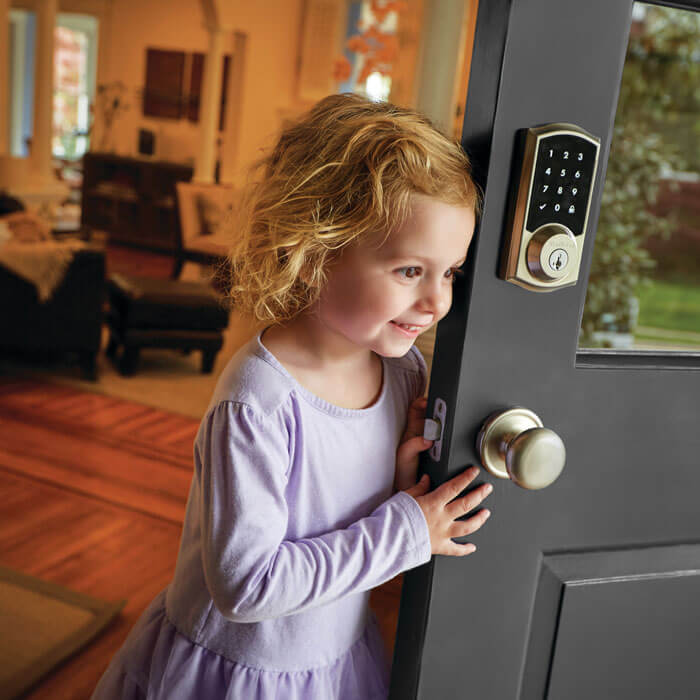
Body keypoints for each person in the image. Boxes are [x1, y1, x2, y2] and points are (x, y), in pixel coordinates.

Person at [91, 92, 492, 700]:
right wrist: (407, 528)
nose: (438, 301)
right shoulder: (258, 402)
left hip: (332, 660)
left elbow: (347, 512)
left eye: (450, 272)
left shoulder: (404, 371)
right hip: (238, 676)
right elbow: (247, 585)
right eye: (411, 271)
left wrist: (401, 480)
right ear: (313, 254)